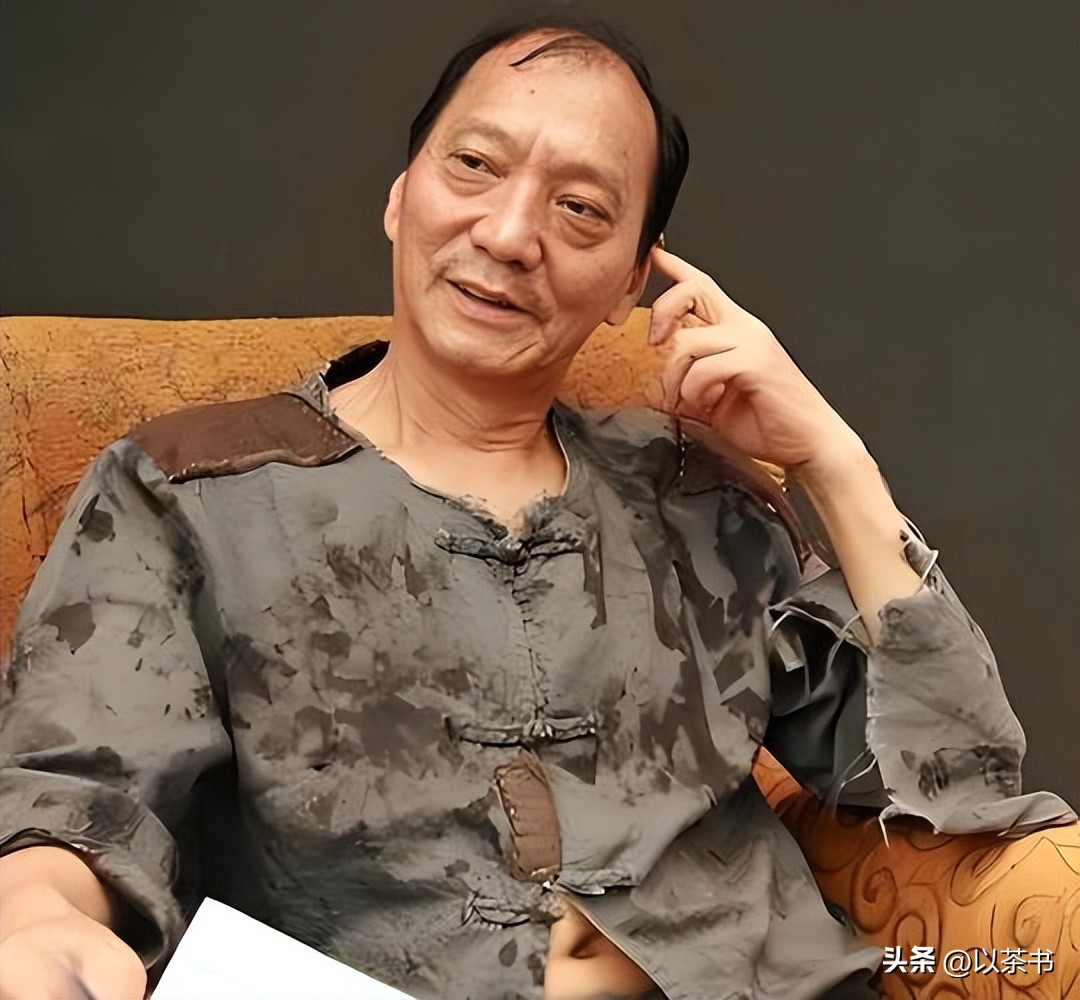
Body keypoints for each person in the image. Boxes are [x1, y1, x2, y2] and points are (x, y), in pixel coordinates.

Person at [0, 15, 1074, 1000]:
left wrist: (832, 461)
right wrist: (39, 920)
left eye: (581, 209)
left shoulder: (698, 498)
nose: (511, 233)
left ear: (631, 282)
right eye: (474, 165)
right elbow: (76, 793)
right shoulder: (187, 488)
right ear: (400, 194)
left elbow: (961, 779)